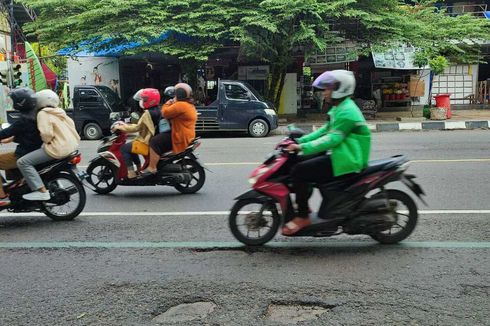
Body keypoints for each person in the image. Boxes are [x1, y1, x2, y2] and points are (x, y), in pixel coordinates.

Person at [283, 70, 371, 235]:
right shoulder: (340, 107)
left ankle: (302, 216)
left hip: (347, 160)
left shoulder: (347, 112)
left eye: (328, 88)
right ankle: (305, 206)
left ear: (340, 89)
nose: (325, 92)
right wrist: (299, 141)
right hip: (341, 154)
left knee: (299, 171)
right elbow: (324, 131)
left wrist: (302, 147)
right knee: (300, 163)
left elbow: (331, 140)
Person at [17, 89, 80, 201]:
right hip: (71, 147)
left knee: (22, 162)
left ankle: (41, 191)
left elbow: (46, 133)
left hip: (57, 149)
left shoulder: (43, 113)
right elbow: (72, 125)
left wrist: (47, 141)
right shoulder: (60, 111)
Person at [0, 88, 43, 206]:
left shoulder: (24, 120)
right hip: (34, 149)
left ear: (20, 103)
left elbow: (6, 132)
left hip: (24, 153)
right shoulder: (34, 115)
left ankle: (2, 196)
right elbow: (25, 134)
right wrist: (11, 139)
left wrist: (5, 137)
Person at [112, 88, 161, 179]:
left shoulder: (147, 114)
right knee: (131, 147)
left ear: (151, 100)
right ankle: (138, 169)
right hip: (152, 140)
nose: (142, 101)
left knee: (124, 148)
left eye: (144, 99)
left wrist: (120, 127)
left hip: (146, 142)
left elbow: (136, 127)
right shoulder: (157, 110)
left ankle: (131, 173)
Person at [147, 83, 197, 168]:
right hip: (185, 134)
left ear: (179, 94)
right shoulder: (188, 104)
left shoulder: (180, 105)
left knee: (154, 141)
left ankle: (152, 167)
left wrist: (168, 103)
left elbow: (165, 113)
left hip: (179, 135)